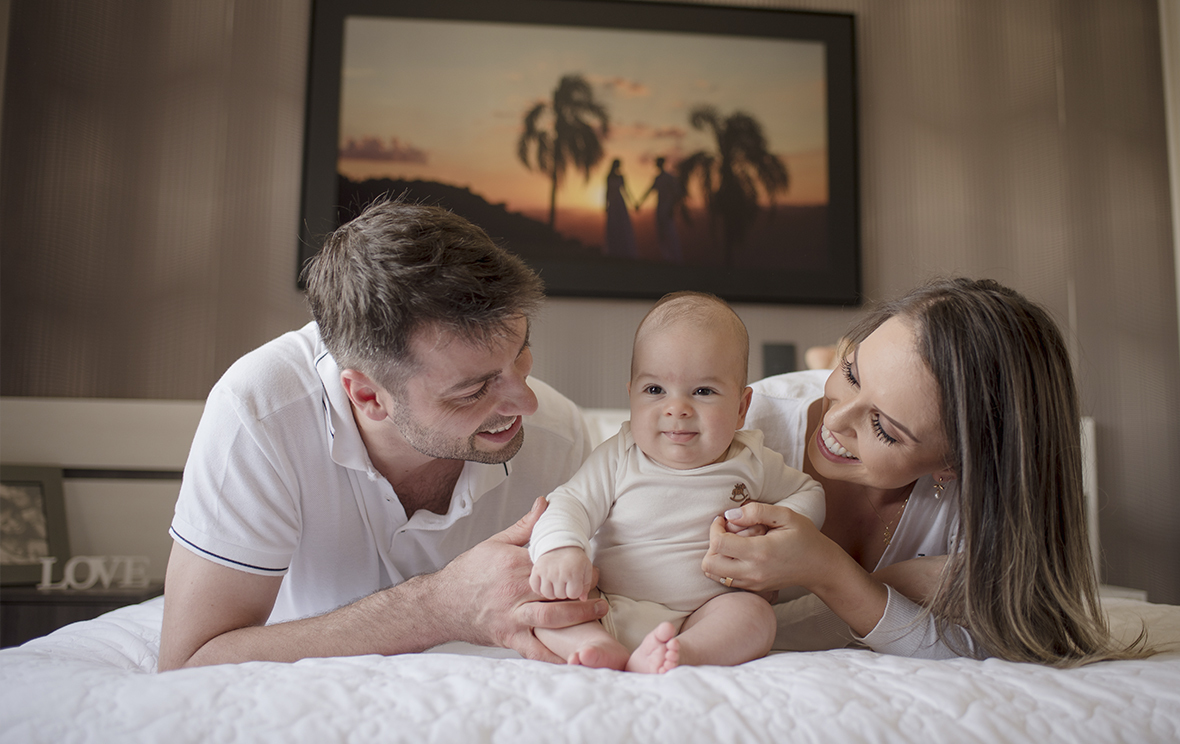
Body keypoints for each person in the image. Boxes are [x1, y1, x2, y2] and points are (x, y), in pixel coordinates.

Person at [158, 199, 607, 671]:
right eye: (474, 389)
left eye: (521, 354)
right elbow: (189, 661)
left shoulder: (559, 435)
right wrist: (438, 606)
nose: (527, 403)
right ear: (368, 396)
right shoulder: (261, 413)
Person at [702, 277, 1147, 665]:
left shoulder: (981, 502)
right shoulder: (741, 432)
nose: (834, 421)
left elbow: (1007, 645)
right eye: (852, 373)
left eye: (883, 428)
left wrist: (829, 572)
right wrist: (892, 588)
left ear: (953, 465)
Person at [528, 292, 825, 673]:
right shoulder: (620, 455)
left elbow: (810, 493)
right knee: (543, 601)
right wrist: (562, 550)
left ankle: (686, 654)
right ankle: (597, 645)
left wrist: (770, 531)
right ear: (631, 396)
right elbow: (571, 502)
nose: (676, 408)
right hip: (606, 602)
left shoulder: (751, 459)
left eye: (703, 391)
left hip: (706, 613)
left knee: (756, 617)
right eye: (654, 390)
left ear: (740, 408)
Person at [637, 157, 685, 263]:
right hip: (660, 207)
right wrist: (639, 203)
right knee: (661, 233)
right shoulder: (658, 178)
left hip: (667, 207)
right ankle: (667, 257)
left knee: (670, 232)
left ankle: (676, 258)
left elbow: (677, 193)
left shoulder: (669, 177)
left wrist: (672, 207)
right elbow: (649, 191)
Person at [603, 158, 638, 258]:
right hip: (613, 203)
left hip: (619, 202)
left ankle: (624, 249)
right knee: (613, 225)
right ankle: (614, 249)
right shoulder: (609, 177)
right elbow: (607, 191)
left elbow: (626, 191)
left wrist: (633, 203)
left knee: (622, 224)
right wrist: (606, 205)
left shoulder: (621, 177)